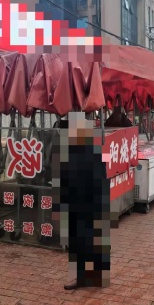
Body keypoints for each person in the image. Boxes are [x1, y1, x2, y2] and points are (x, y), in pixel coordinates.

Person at [57, 112, 112, 290]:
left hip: (89, 205)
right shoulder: (68, 151)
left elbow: (102, 179)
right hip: (75, 204)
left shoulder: (94, 152)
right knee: (78, 242)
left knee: (92, 240)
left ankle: (96, 275)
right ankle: (82, 277)